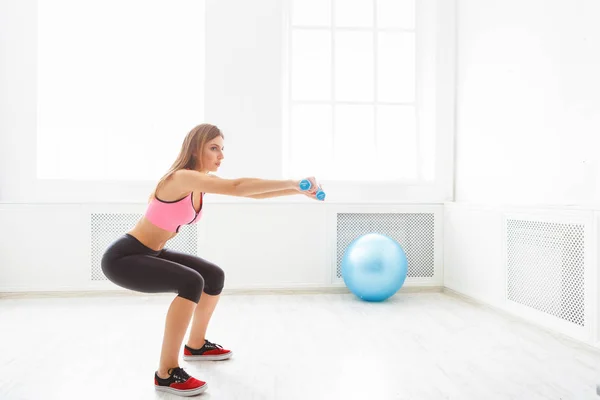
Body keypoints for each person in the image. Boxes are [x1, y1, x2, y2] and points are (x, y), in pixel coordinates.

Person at [101, 123, 322, 397]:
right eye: (214, 148)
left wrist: (297, 190)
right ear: (196, 149)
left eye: (222, 148)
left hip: (150, 252)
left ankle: (195, 345)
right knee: (191, 281)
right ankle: (166, 373)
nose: (221, 155)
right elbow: (238, 187)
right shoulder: (181, 178)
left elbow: (249, 193)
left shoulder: (199, 183)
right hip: (124, 257)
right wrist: (291, 182)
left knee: (213, 275)